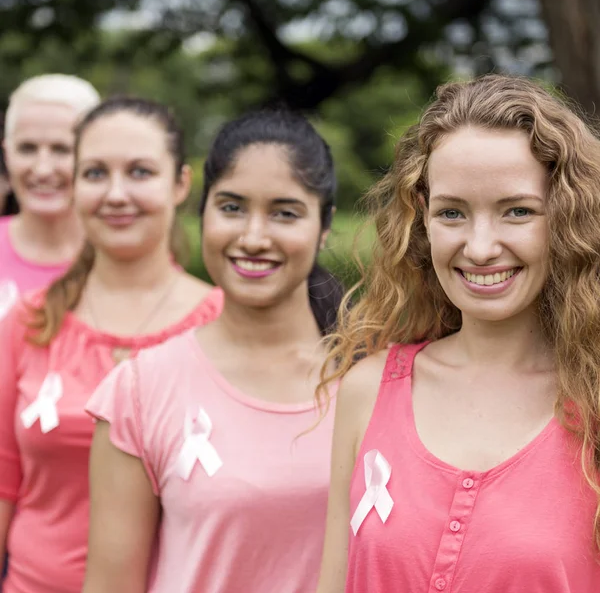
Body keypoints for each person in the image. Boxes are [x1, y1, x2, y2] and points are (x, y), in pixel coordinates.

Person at [316, 74, 600, 593]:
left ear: (566, 217)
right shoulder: (367, 391)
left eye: (517, 211)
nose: (480, 246)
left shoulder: (595, 402)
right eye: (453, 212)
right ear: (422, 219)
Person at [83, 109, 344, 593]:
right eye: (231, 207)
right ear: (202, 212)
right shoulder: (140, 390)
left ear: (324, 225)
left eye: (285, 212)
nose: (253, 237)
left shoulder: (372, 382)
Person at [0, 96, 223, 593]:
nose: (116, 194)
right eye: (96, 173)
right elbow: (2, 481)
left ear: (180, 183)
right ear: (74, 185)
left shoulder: (222, 323)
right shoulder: (29, 321)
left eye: (140, 172)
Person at [0, 75, 100, 310]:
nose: (42, 169)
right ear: (6, 153)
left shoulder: (130, 259)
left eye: (61, 149)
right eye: (27, 148)